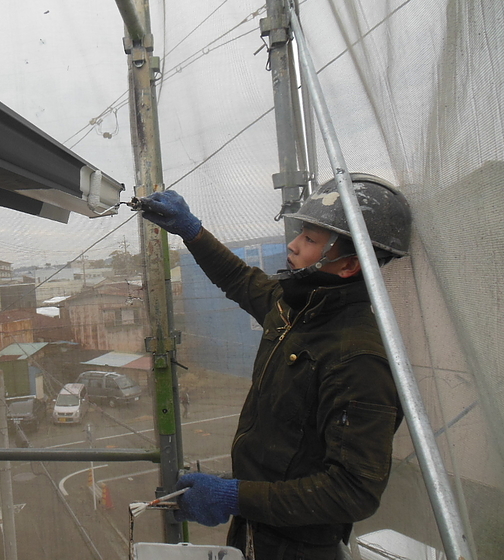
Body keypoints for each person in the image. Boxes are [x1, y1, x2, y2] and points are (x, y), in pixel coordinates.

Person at [138, 174, 411, 560]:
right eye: (301, 233)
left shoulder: (359, 359)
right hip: (257, 529)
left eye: (311, 240)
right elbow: (238, 278)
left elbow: (353, 491)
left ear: (349, 264)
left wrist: (234, 495)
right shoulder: (297, 309)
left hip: (300, 549)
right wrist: (192, 231)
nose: (293, 245)